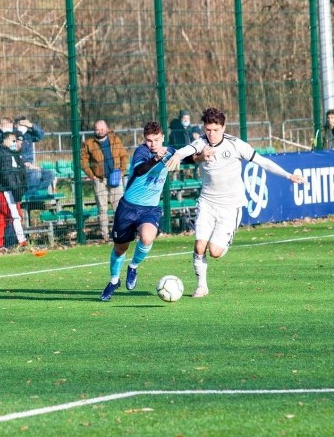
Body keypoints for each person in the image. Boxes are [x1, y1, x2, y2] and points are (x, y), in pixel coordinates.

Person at [164, 107, 305, 298]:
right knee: (199, 246)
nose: (211, 134)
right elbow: (188, 149)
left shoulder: (236, 145)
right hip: (207, 201)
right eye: (208, 130)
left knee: (214, 251)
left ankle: (227, 236)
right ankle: (201, 286)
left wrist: (289, 175)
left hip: (230, 206)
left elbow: (263, 162)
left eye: (214, 130)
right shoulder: (202, 142)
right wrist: (178, 155)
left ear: (223, 127)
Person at [100, 121, 176, 302]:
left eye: (156, 140)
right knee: (120, 248)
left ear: (162, 138)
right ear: (144, 139)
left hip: (149, 208)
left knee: (147, 237)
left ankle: (133, 267)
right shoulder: (142, 152)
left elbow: (187, 156)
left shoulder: (170, 151)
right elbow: (141, 170)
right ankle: (114, 281)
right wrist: (155, 159)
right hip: (128, 208)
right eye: (149, 140)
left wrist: (200, 155)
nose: (153, 144)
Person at [80, 120, 129, 241]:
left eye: (102, 129)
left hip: (115, 177)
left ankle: (120, 232)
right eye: (97, 129)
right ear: (94, 130)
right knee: (102, 209)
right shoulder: (89, 143)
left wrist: (122, 171)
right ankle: (105, 235)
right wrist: (92, 176)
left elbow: (124, 155)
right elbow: (83, 161)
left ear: (107, 128)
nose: (100, 131)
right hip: (100, 180)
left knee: (119, 207)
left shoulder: (114, 139)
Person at [0, 130, 28, 249]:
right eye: (13, 141)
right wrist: (15, 188)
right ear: (5, 140)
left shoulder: (11, 153)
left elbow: (19, 171)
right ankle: (22, 241)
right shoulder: (2, 154)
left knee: (3, 216)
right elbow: (7, 174)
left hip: (10, 189)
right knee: (15, 215)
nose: (15, 143)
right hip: (7, 190)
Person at [14, 115, 56, 195]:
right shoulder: (11, 136)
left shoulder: (28, 135)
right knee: (35, 173)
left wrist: (32, 125)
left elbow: (41, 135)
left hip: (30, 166)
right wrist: (25, 163)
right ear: (16, 125)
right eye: (22, 124)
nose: (24, 127)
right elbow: (13, 153)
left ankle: (35, 194)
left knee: (50, 174)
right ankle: (30, 199)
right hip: (19, 166)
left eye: (25, 125)